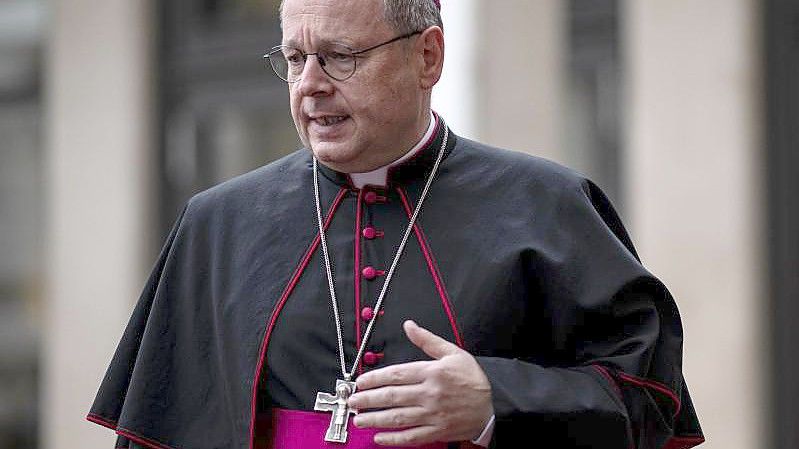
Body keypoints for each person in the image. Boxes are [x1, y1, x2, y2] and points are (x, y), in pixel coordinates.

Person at [87, 0, 704, 448]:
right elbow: (158, 431)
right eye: (296, 58)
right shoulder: (216, 225)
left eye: (340, 57)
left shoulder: (547, 204)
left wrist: (496, 401)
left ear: (428, 56)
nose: (309, 87)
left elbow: (645, 403)